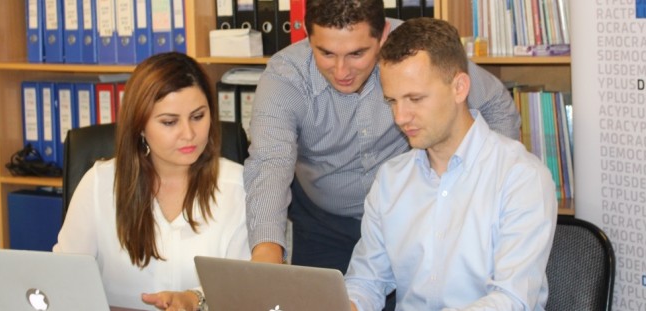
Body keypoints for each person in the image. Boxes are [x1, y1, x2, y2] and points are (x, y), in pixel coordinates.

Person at [245, 0, 520, 271]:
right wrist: (266, 254)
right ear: (309, 37)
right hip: (323, 225)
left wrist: (484, 191)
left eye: (357, 54)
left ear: (384, 34)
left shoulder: (415, 51)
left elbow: (495, 104)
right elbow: (270, 162)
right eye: (326, 53)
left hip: (411, 216)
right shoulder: (286, 76)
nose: (341, 71)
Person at [344, 17, 557, 311]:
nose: (400, 117)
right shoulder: (391, 179)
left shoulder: (520, 176)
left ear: (459, 88)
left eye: (415, 99)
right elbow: (367, 281)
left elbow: (512, 300)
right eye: (392, 101)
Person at [53, 52, 249, 311]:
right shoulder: (100, 184)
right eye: (169, 122)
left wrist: (195, 299)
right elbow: (63, 279)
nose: (189, 134)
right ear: (140, 126)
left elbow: (247, 287)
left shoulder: (239, 187)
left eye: (198, 116)